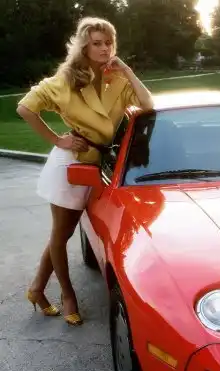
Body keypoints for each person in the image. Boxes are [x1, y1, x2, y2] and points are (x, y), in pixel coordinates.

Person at [16, 17, 153, 326]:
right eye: (97, 43)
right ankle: (68, 295)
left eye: (109, 42)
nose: (104, 48)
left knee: (62, 232)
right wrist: (57, 139)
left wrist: (127, 70)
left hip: (95, 164)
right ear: (84, 46)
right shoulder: (65, 79)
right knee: (60, 234)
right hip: (69, 163)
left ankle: (36, 289)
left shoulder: (117, 79)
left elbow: (147, 104)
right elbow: (25, 108)